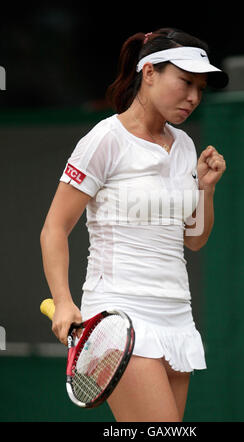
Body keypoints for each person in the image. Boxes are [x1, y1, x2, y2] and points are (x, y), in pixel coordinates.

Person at [40, 27, 228, 422]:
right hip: (119, 317)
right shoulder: (104, 139)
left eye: (201, 87)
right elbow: (54, 228)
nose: (194, 97)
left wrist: (206, 191)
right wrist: (62, 302)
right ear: (149, 73)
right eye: (185, 82)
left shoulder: (185, 146)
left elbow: (193, 240)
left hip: (176, 316)